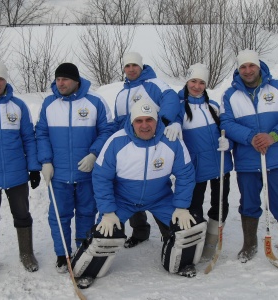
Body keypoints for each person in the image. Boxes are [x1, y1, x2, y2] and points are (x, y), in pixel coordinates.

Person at [71, 98, 207, 288]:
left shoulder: (171, 141)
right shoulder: (116, 141)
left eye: (149, 120)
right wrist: (108, 211)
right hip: (124, 199)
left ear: (157, 120)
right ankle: (87, 271)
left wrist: (181, 207)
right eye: (139, 120)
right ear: (132, 121)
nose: (144, 125)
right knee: (104, 235)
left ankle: (181, 264)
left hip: (160, 198)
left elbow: (186, 174)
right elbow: (101, 177)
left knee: (189, 227)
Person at [35, 62, 114, 273]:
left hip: (87, 172)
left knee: (87, 213)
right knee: (59, 215)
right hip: (59, 174)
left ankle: (82, 249)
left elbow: (106, 131)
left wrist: (94, 154)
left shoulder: (95, 102)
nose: (60, 83)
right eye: (58, 79)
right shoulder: (49, 104)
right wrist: (46, 161)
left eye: (65, 79)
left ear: (76, 81)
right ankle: (63, 255)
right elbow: (41, 133)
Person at [0, 61, 41, 281]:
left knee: (22, 214)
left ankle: (26, 253)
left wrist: (33, 168)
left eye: (0, 79)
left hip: (16, 173)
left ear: (6, 80)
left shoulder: (18, 106)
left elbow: (29, 139)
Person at [114, 51, 182, 248]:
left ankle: (168, 233)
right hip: (129, 149)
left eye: (135, 65)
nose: (131, 69)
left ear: (141, 66)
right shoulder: (121, 94)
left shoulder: (153, 84)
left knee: (157, 189)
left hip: (153, 144)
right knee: (130, 187)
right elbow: (119, 123)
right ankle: (140, 231)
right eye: (127, 66)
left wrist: (164, 123)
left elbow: (171, 100)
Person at [220, 49, 278, 263]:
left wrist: (272, 136)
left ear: (258, 66)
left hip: (275, 157)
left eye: (251, 66)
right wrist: (251, 137)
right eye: (243, 67)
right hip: (247, 160)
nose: (247, 70)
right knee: (249, 202)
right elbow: (226, 123)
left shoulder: (275, 87)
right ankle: (250, 242)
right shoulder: (230, 94)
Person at [177, 63, 233, 260]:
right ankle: (195, 241)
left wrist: (229, 143)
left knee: (221, 203)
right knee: (195, 205)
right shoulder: (179, 109)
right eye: (193, 81)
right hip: (196, 168)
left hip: (219, 164)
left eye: (202, 82)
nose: (197, 86)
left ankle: (211, 240)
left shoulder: (213, 106)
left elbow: (227, 130)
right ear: (187, 81)